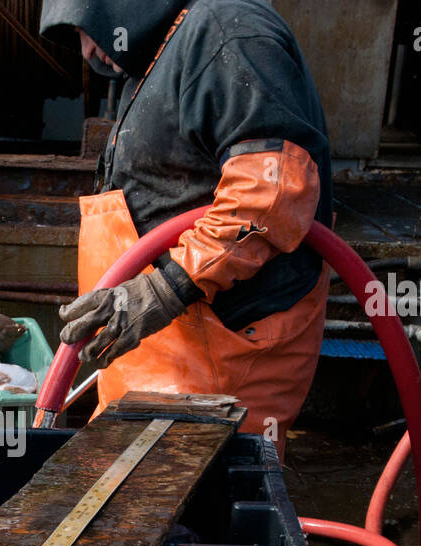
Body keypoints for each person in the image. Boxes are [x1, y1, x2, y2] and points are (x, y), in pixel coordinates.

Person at [40, 0, 333, 454]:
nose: (87, 51)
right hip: (166, 357)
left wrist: (164, 289)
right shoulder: (166, 46)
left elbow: (272, 190)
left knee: (190, 512)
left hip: (216, 362)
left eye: (86, 26)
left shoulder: (226, 31)